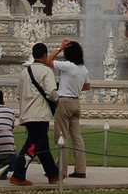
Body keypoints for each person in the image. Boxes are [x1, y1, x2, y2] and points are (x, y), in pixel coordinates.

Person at [9, 43, 60, 186]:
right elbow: (51, 92)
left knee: (42, 146)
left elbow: (19, 94)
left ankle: (53, 174)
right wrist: (57, 101)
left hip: (27, 114)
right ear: (45, 55)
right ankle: (18, 174)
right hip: (40, 114)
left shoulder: (24, 72)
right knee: (32, 146)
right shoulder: (46, 71)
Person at [49, 39, 90, 179]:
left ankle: (61, 168)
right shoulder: (83, 69)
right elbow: (87, 86)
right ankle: (80, 169)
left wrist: (59, 48)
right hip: (76, 102)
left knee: (61, 136)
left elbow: (47, 61)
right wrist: (75, 88)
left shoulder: (67, 65)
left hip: (64, 101)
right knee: (76, 137)